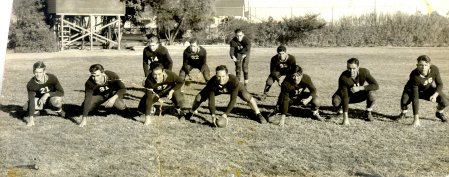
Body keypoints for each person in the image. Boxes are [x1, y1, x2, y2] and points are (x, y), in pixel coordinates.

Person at [184, 65, 267, 126]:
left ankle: (258, 113)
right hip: (218, 89)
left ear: (227, 75)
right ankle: (191, 112)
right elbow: (211, 100)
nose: (221, 79)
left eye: (223, 76)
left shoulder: (234, 81)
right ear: (216, 75)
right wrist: (213, 114)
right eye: (218, 76)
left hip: (232, 88)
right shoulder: (212, 82)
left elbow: (233, 100)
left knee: (247, 96)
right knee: (198, 98)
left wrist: (225, 114)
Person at [397, 55, 448, 127]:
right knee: (404, 102)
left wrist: (435, 95)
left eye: (426, 65)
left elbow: (440, 84)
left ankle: (439, 113)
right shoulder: (414, 75)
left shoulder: (434, 69)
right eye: (421, 65)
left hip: (427, 89)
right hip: (412, 90)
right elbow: (415, 98)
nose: (423, 67)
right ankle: (403, 113)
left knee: (445, 101)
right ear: (417, 65)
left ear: (429, 65)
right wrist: (416, 119)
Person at [332, 58, 379, 125]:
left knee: (372, 94)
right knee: (335, 101)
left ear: (358, 68)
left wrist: (360, 88)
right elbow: (345, 97)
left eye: (354, 68)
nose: (351, 71)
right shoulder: (343, 77)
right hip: (345, 95)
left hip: (357, 94)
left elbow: (376, 85)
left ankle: (368, 112)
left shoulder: (364, 72)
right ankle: (340, 111)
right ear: (346, 67)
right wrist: (345, 119)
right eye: (349, 68)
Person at [24, 61, 65, 126]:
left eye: (40, 72)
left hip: (51, 100)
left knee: (57, 100)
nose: (38, 74)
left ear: (44, 72)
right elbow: (31, 100)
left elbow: (61, 92)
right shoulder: (31, 84)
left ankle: (58, 110)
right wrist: (31, 120)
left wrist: (47, 94)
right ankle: (37, 112)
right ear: (33, 72)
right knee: (25, 107)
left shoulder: (52, 78)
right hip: (40, 101)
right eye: (36, 72)